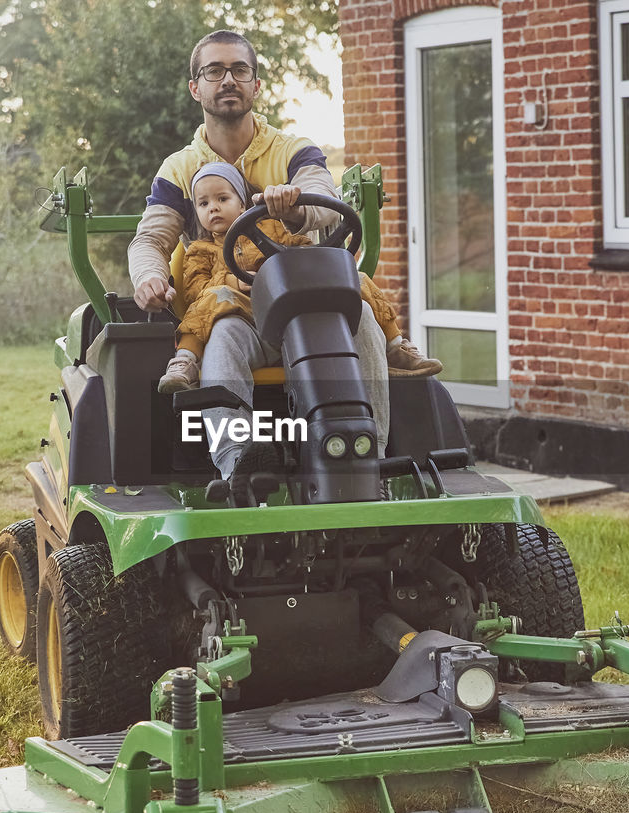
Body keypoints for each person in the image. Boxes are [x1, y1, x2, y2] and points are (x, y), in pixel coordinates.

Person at [128, 30, 428, 480]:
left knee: (362, 316)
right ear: (196, 87)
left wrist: (296, 207)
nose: (227, 80)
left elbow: (321, 198)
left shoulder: (292, 150)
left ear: (256, 85)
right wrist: (148, 277)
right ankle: (239, 462)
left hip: (304, 309)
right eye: (214, 71)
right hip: (236, 311)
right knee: (224, 335)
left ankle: (369, 458)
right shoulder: (179, 169)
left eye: (239, 70)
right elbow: (151, 239)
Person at [158, 161, 441, 393]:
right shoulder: (199, 251)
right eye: (203, 203)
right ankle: (185, 359)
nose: (213, 208)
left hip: (287, 303)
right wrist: (233, 282)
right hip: (241, 310)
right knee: (212, 297)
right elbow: (195, 292)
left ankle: (396, 345)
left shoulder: (271, 228)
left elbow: (302, 250)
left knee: (356, 278)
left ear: (242, 205)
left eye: (222, 199)